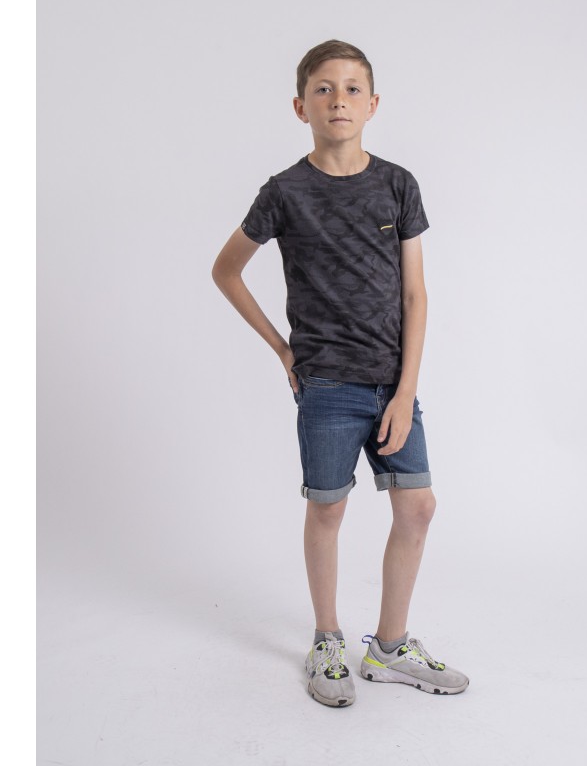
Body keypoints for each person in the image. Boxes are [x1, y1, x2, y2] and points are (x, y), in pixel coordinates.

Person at [212, 40, 469, 707]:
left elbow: (415, 294)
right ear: (301, 106)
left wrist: (406, 392)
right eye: (323, 89)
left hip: (392, 384)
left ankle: (389, 647)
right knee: (327, 508)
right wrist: (283, 349)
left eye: (353, 88)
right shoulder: (284, 192)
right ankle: (326, 639)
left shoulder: (397, 184)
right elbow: (226, 270)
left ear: (373, 104)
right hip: (326, 385)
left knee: (418, 506)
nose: (339, 100)